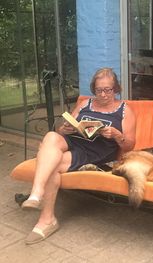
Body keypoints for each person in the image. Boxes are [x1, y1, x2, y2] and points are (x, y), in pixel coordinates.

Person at [21, 67, 136, 244]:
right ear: (93, 89)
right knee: (52, 135)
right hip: (74, 142)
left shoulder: (124, 111)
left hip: (95, 153)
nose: (103, 94)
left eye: (108, 90)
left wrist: (116, 134)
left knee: (50, 163)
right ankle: (37, 194)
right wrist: (64, 128)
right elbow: (66, 126)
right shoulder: (85, 104)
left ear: (116, 89)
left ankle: (46, 217)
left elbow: (129, 145)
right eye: (99, 90)